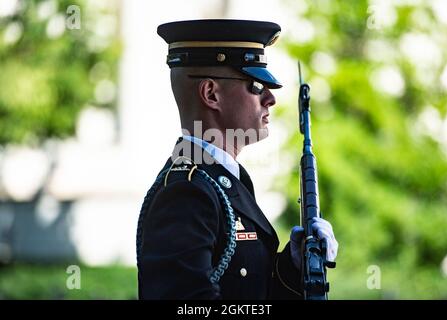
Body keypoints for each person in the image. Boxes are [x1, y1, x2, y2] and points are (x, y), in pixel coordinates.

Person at [136, 19, 338, 300]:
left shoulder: (227, 181)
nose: (270, 99)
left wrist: (293, 266)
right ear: (211, 94)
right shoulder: (187, 194)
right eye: (256, 86)